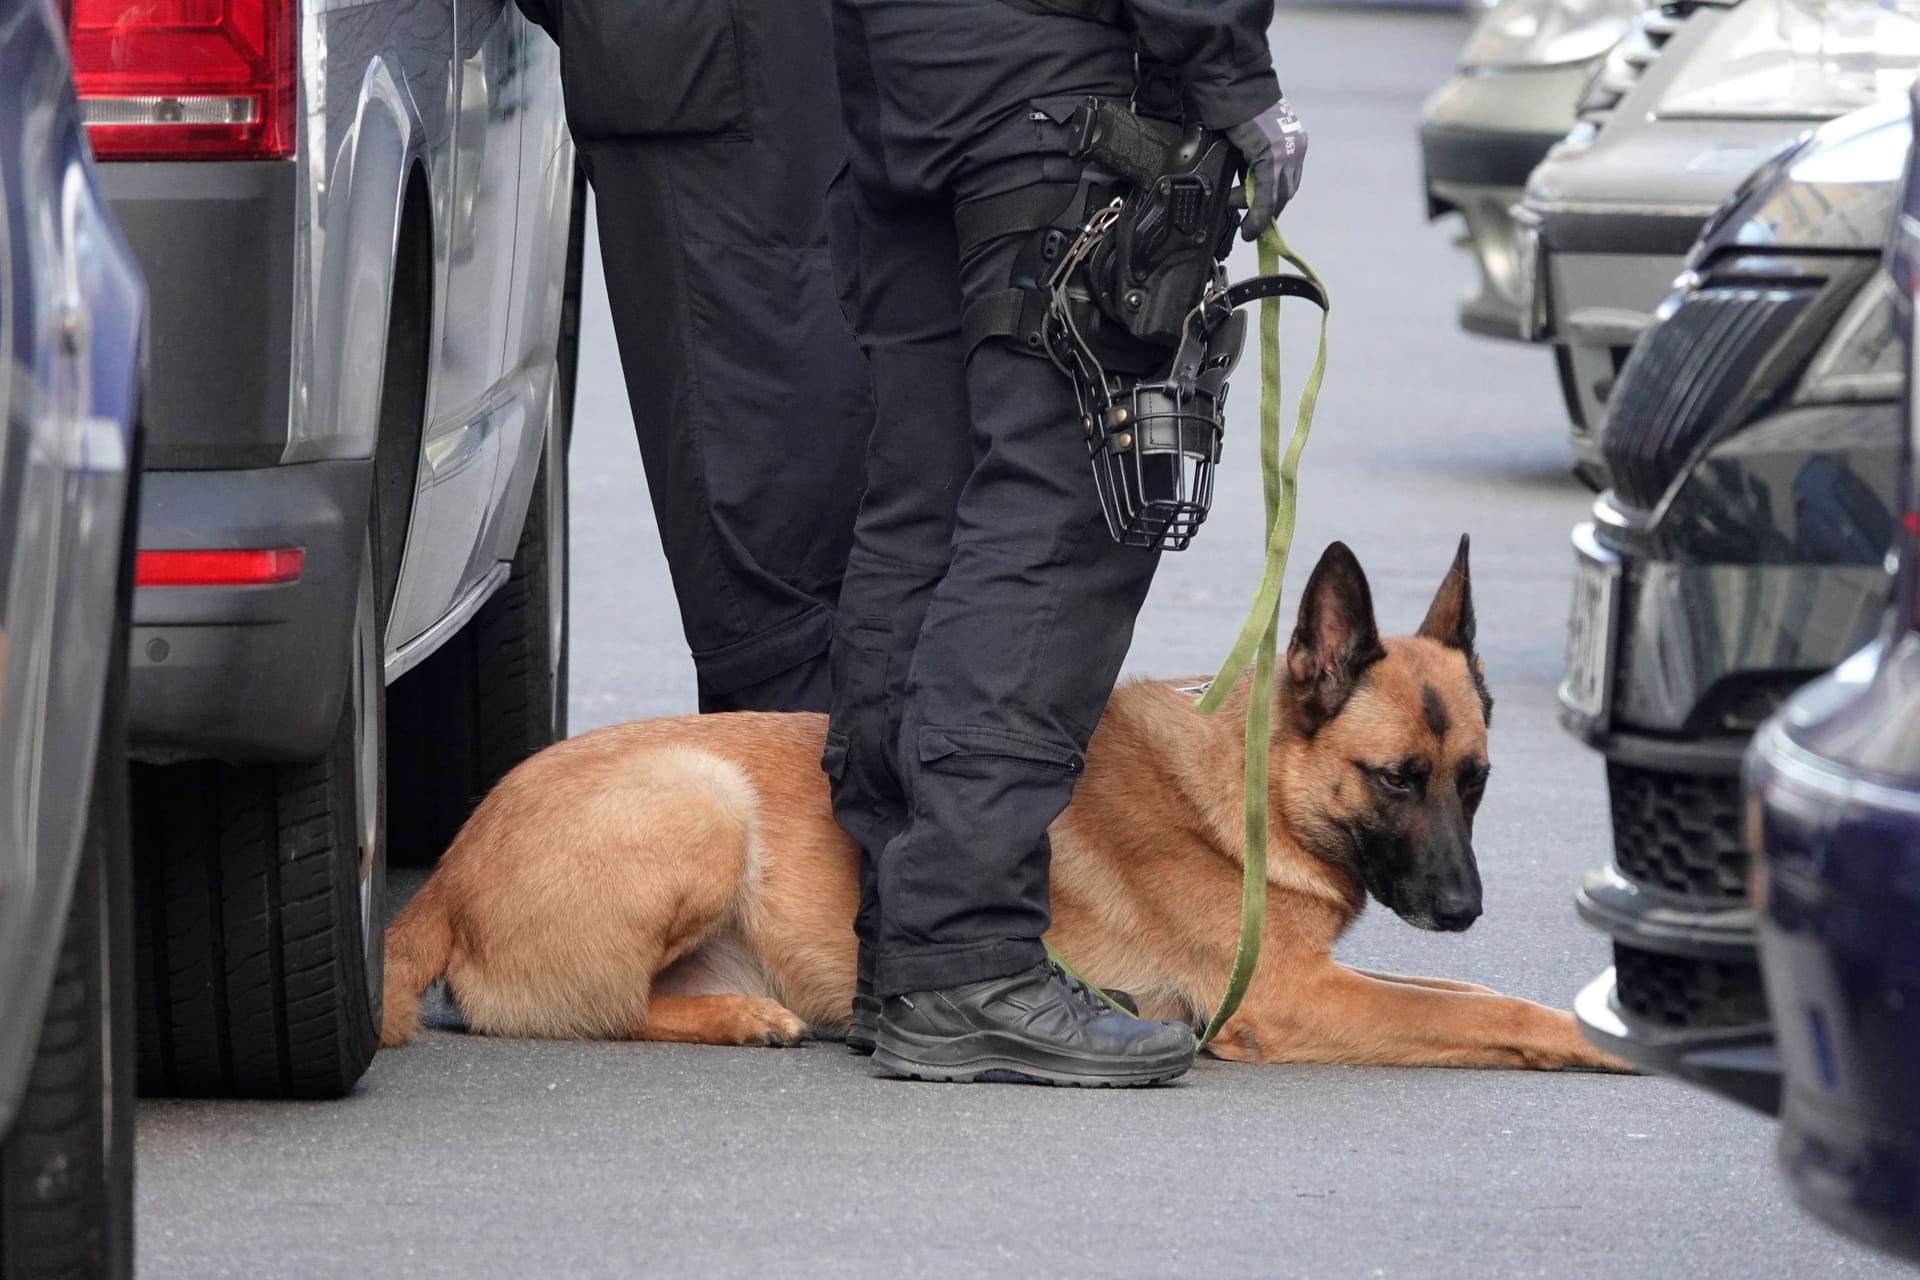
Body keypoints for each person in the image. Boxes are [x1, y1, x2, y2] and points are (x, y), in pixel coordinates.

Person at [823, 0, 1307, 1085]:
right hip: (1055, 83)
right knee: (1055, 507)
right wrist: (1235, 83)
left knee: (926, 505)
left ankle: (904, 948)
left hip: (904, 76)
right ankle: (963, 960)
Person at [514, 0, 874, 714]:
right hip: (728, 82)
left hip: (743, 79)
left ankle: (841, 796)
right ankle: (824, 800)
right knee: (782, 572)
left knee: (806, 552)